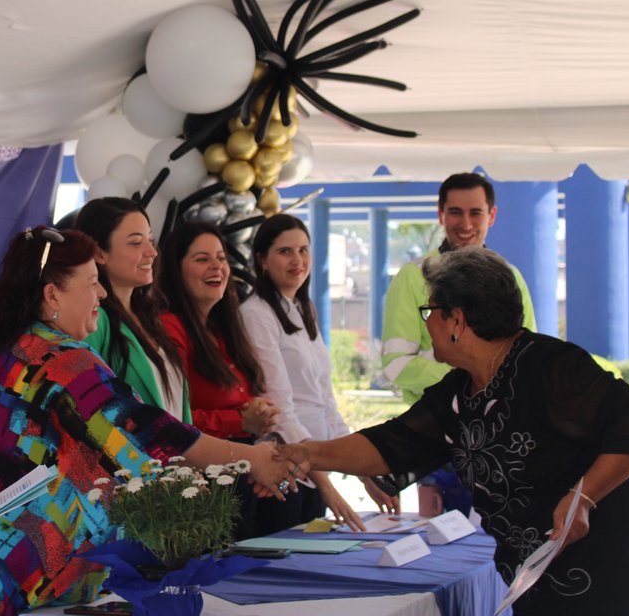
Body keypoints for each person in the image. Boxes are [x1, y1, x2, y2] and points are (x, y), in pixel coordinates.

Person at [0, 226, 302, 616]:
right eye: (91, 284)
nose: (102, 294)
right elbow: (151, 435)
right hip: (0, 580)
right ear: (52, 295)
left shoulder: (12, 350)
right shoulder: (63, 360)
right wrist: (253, 459)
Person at [293, 246, 629, 615]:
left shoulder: (548, 364)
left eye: (430, 311)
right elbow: (388, 445)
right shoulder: (459, 391)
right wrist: (305, 454)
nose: (426, 322)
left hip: (611, 564)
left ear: (456, 320)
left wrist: (583, 498)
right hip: (537, 576)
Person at [241, 214, 398, 531]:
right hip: (284, 471)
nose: (297, 260)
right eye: (285, 251)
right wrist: (328, 486)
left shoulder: (303, 308)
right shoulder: (255, 313)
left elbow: (326, 404)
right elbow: (279, 408)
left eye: (303, 250)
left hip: (316, 466)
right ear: (262, 260)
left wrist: (365, 471)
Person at [156, 221, 282, 538]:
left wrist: (260, 416)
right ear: (176, 270)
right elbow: (171, 421)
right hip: (200, 481)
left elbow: (244, 401)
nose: (217, 267)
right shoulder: (169, 328)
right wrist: (241, 422)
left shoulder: (223, 327)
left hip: (244, 473)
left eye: (221, 257)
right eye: (202, 259)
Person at [381, 172, 536, 403]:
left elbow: (527, 357)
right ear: (440, 215)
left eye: (475, 213)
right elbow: (395, 364)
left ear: (491, 216)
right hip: (433, 424)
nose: (466, 224)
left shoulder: (512, 277)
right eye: (455, 212)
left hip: (501, 418)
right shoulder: (411, 276)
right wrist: (474, 375)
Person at [75, 197, 191, 422]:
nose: (152, 252)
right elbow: (86, 411)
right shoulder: (95, 321)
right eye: (136, 243)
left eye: (151, 240)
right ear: (99, 253)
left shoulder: (149, 316)